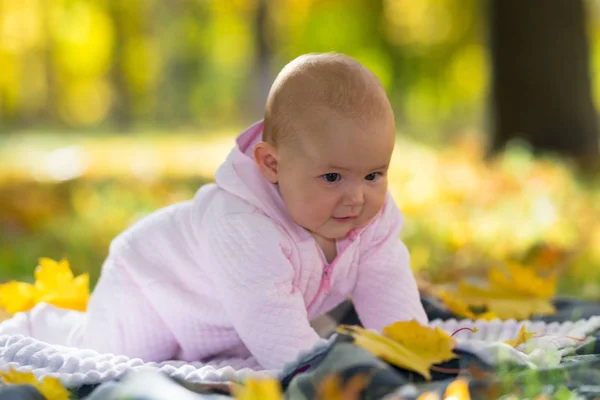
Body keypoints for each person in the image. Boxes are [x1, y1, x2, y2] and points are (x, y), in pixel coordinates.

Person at [54, 53, 427, 370]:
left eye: (373, 175)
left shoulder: (372, 220)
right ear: (271, 164)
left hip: (228, 325)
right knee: (114, 362)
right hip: (149, 289)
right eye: (332, 177)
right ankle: (43, 326)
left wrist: (412, 355)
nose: (357, 198)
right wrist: (327, 377)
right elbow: (280, 336)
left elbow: (389, 292)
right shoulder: (243, 225)